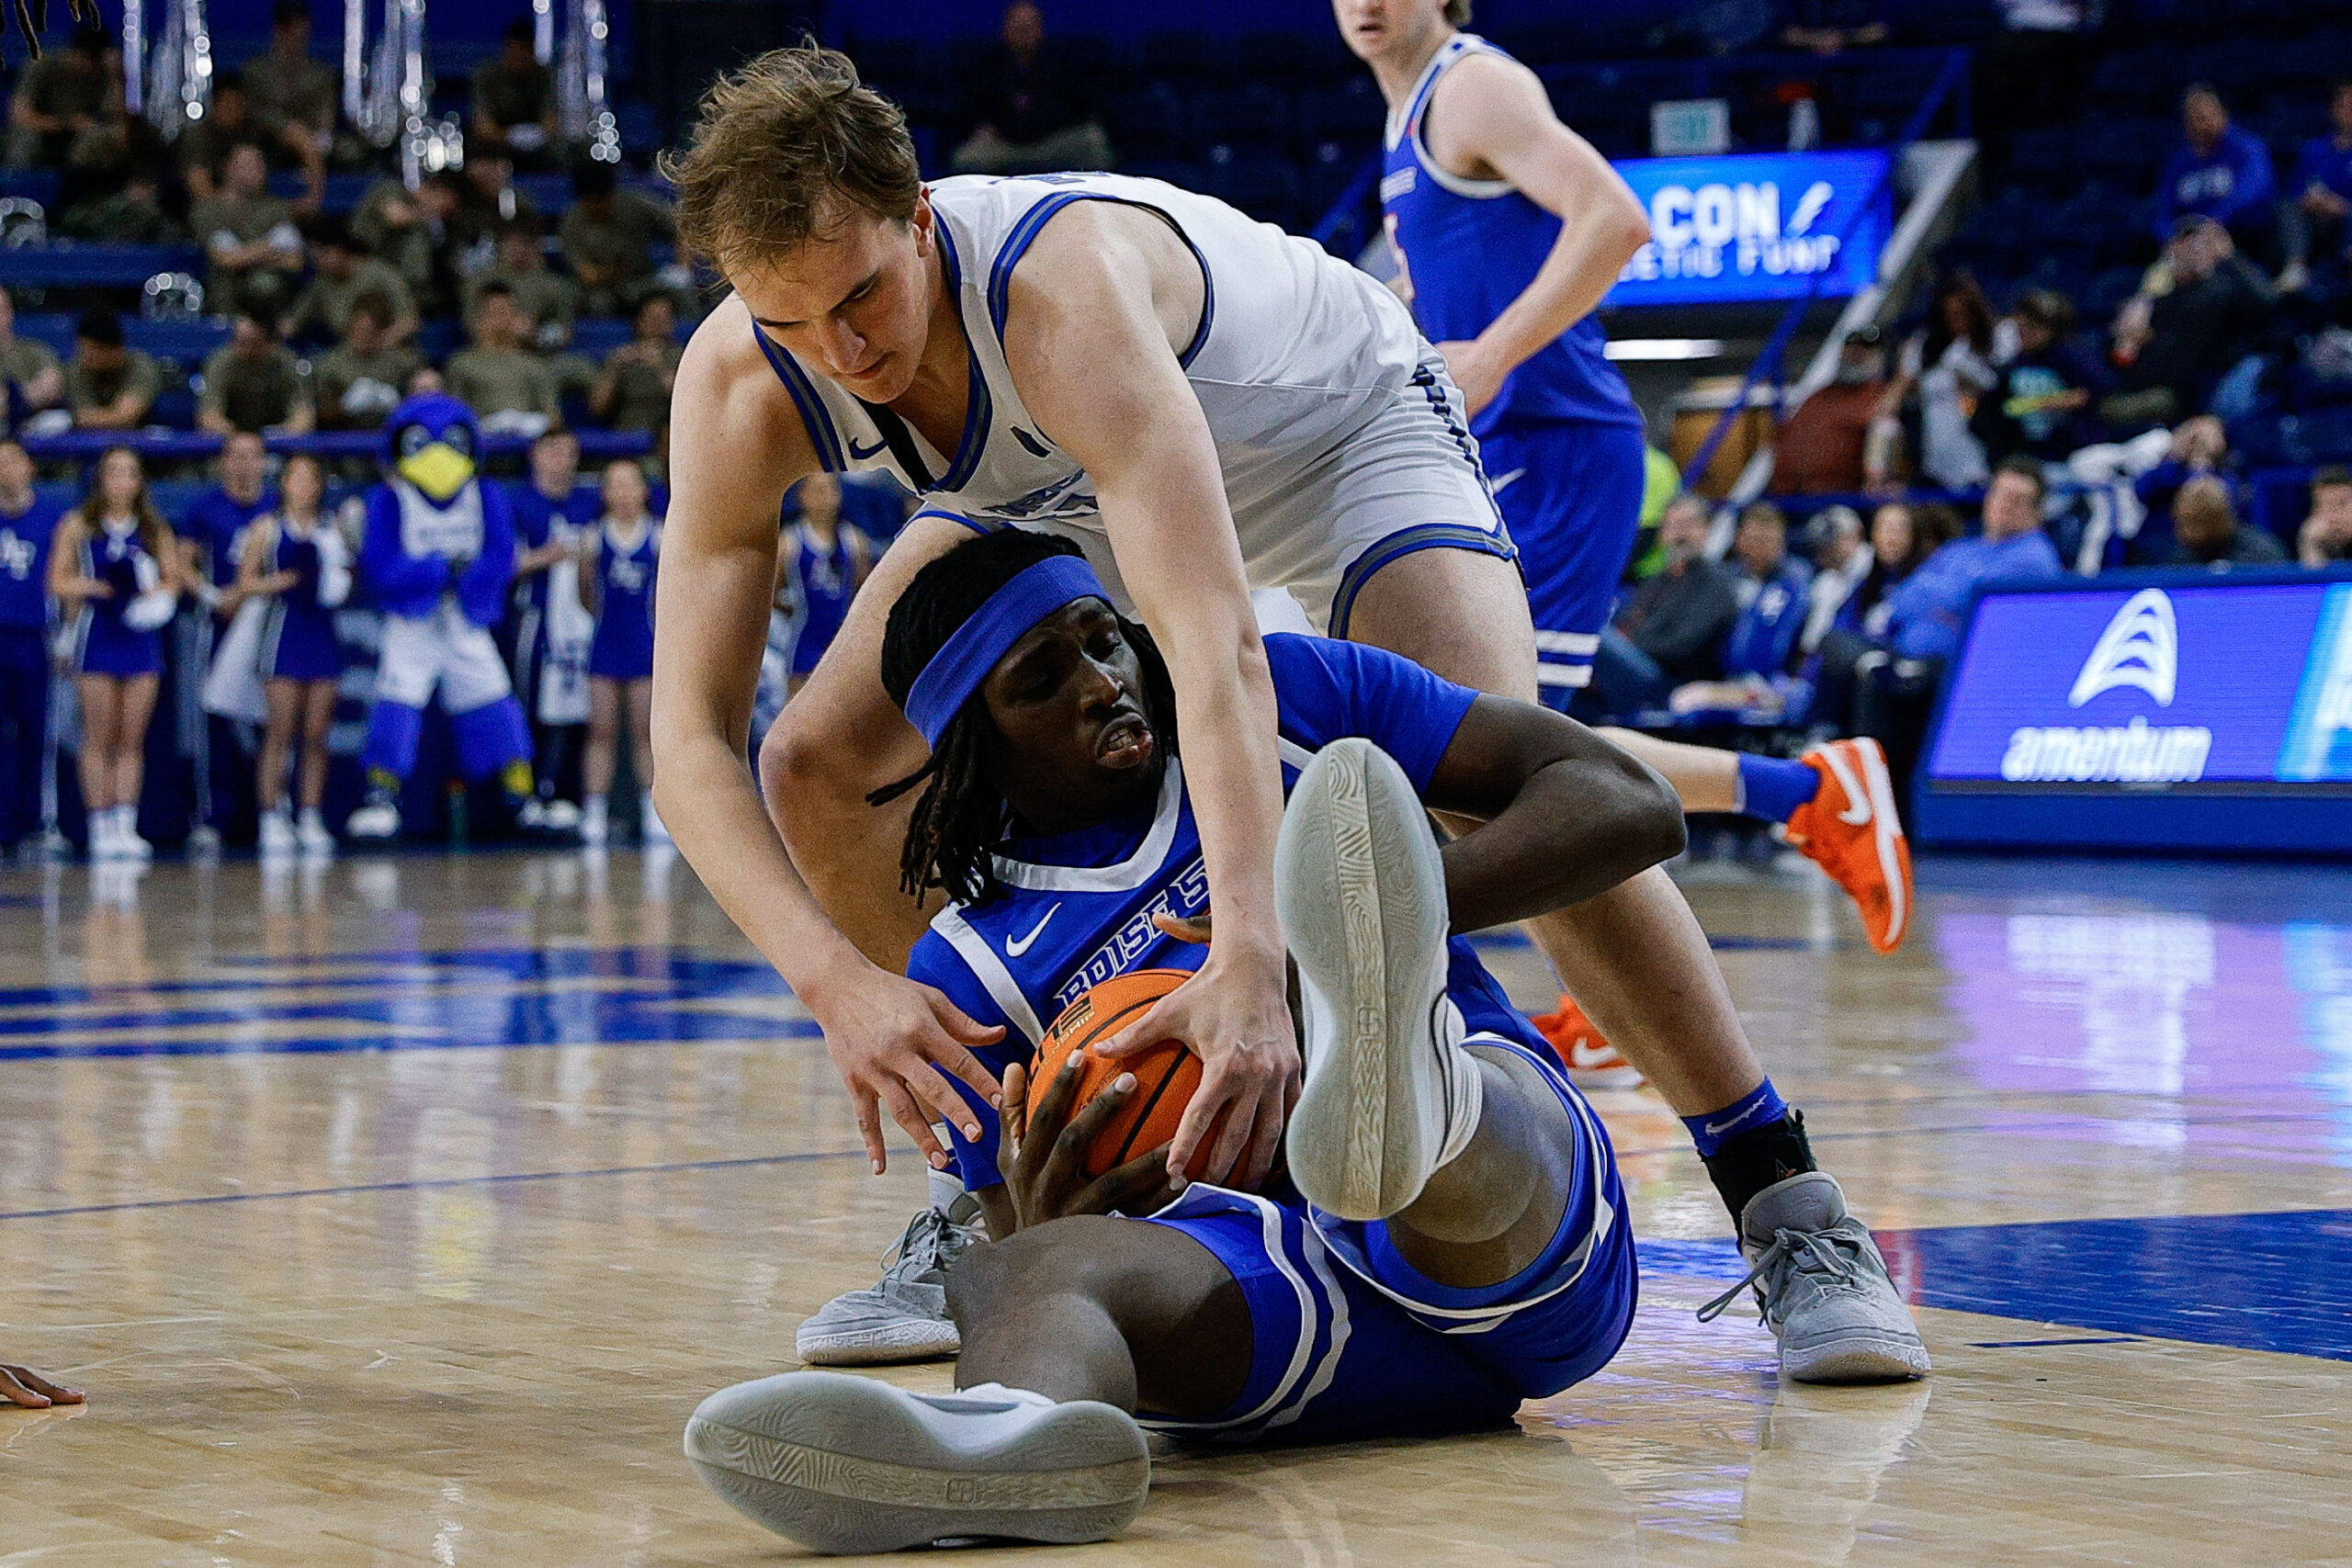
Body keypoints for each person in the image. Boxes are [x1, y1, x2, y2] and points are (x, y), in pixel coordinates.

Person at [656, 46, 1919, 1380]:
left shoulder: (1053, 291)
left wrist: (1252, 951)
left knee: (1482, 765)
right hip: (1066, 479)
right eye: (793, 323)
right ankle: (994, 1175)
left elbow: (1217, 653)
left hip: (1335, 432)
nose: (843, 352)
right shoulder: (746, 381)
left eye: (863, 296)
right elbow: (695, 739)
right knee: (818, 758)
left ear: (921, 217)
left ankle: (1785, 1201)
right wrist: (836, 983)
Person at [687, 532, 1925, 1553]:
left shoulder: (1288, 702)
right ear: (976, 747)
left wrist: (1379, 912)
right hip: (1288, 1307)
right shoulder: (971, 963)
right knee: (1019, 1272)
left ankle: (1397, 1063)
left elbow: (1625, 799)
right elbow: (998, 1214)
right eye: (1040, 679)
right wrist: (1041, 1212)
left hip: (1510, 1230)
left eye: (1100, 638)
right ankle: (1010, 1442)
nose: (1100, 679)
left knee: (1461, 1115)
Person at [345, 392, 536, 840]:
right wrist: (436, 570)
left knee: (494, 701)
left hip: (465, 618)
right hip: (411, 622)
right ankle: (381, 800)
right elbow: (380, 567)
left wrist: (465, 579)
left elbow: (501, 557)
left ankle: (521, 798)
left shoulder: (485, 495)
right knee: (397, 706)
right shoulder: (388, 500)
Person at [48, 447, 185, 860]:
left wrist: (146, 590)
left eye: (130, 473)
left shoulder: (154, 529)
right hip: (98, 635)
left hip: (138, 637)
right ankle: (99, 823)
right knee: (98, 734)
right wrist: (97, 588)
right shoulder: (78, 525)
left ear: (140, 481)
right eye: (114, 472)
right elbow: (57, 581)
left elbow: (173, 581)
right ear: (101, 479)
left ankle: (125, 823)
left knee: (131, 736)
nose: (122, 481)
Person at [236, 453, 347, 856]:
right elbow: (244, 582)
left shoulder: (331, 528)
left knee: (317, 733)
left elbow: (348, 574)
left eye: (309, 478)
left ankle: (311, 813)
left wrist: (337, 578)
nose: (302, 486)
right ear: (283, 484)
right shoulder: (267, 529)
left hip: (320, 632)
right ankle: (271, 814)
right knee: (280, 730)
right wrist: (278, 582)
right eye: (294, 478)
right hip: (284, 632)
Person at [1881, 458, 2063, 665]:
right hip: (1906, 659)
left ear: (2036, 512)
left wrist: (1938, 599)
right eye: (1999, 493)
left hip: (1973, 668)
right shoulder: (1959, 549)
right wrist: (1945, 608)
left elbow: (1971, 601)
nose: (2004, 505)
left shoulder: (2034, 557)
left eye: (2017, 499)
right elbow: (1901, 600)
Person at [507, 427, 598, 830]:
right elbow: (504, 563)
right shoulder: (519, 502)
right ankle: (527, 795)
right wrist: (550, 556)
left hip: (580, 623)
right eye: (557, 452)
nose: (566, 461)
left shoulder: (587, 502)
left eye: (571, 453)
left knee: (576, 707)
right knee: (530, 702)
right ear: (537, 456)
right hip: (536, 618)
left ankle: (564, 793)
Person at [2109, 219, 2278, 427]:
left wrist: (2231, 256)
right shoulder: (2156, 300)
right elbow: (2123, 359)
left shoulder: (2221, 291)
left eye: (2200, 245)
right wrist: (2127, 339)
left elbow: (2268, 304)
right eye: (2184, 244)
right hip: (2144, 391)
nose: (2191, 251)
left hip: (2191, 397)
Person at [576, 460, 665, 846]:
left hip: (644, 645)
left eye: (631, 485)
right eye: (616, 485)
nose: (625, 493)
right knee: (601, 731)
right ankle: (594, 813)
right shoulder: (593, 539)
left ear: (644, 491)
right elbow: (586, 594)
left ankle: (653, 814)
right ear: (606, 493)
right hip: (606, 644)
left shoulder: (660, 536)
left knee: (645, 734)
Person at [1585, 494, 1739, 716]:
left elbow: (1683, 646)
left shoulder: (1716, 583)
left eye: (1687, 525)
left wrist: (1627, 647)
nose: (1679, 534)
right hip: (1633, 669)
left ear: (1705, 530)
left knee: (1593, 631)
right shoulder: (1655, 580)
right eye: (1672, 526)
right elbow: (1626, 622)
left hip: (1671, 680)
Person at [949, 1, 1113, 176]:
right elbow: (969, 110)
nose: (1023, 33)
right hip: (1004, 145)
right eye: (1018, 27)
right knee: (965, 158)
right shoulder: (987, 66)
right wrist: (981, 128)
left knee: (1093, 143)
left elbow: (1084, 106)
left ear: (1040, 30)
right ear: (1005, 30)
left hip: (1052, 143)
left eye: (1029, 27)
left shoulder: (1062, 65)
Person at [0, 439, 65, 854]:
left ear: (29, 468)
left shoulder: (55, 520)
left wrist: (64, 638)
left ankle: (37, 819)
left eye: (11, 462)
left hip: (33, 637)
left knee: (36, 732)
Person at [1884, 271, 1996, 491]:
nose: (1957, 321)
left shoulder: (1993, 344)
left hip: (1981, 449)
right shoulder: (1923, 346)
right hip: (1935, 453)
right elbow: (1897, 393)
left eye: (1963, 314)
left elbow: (1991, 391)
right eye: (1950, 315)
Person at [1973, 288, 2106, 466]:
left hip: (2071, 447)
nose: (2024, 334)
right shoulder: (2014, 357)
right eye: (2021, 328)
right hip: (2027, 448)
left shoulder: (2068, 355)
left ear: (2049, 329)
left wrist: (2051, 402)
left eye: (2031, 328)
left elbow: (2098, 389)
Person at [780, 471, 876, 697]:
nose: (827, 496)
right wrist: (789, 609)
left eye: (833, 489)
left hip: (842, 642)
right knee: (797, 718)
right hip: (804, 641)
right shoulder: (789, 542)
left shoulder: (855, 540)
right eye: (819, 490)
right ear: (802, 496)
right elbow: (766, 595)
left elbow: (868, 594)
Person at [2153, 85, 2277, 254]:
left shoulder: (2247, 149)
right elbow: (2163, 212)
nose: (2199, 126)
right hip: (2192, 243)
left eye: (2204, 118)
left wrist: (2215, 222)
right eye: (2193, 119)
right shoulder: (2178, 163)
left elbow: (2251, 193)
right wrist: (2170, 238)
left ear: (2224, 115)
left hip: (2241, 236)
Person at [1771, 326, 1895, 493]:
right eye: (1850, 348)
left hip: (1843, 499)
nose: (1855, 355)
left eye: (1864, 350)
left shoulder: (1880, 397)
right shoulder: (1818, 396)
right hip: (1791, 496)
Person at [192, 142, 306, 319]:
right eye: (249, 165)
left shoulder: (276, 209)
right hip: (226, 300)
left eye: (260, 165)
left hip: (270, 301)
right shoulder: (209, 210)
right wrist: (271, 247)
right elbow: (226, 259)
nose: (258, 171)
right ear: (228, 169)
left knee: (266, 283)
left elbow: (294, 261)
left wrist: (244, 254)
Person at [558, 161, 676, 316]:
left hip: (641, 280)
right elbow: (585, 273)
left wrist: (682, 266)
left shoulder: (634, 205)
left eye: (602, 200)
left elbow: (678, 225)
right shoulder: (572, 222)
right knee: (598, 304)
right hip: (598, 289)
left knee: (677, 294)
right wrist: (611, 272)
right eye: (590, 202)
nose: (597, 207)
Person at [241, 0, 337, 186]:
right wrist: (290, 130)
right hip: (266, 143)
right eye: (290, 31)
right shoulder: (256, 71)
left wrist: (317, 139)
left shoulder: (321, 73)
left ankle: (314, 186)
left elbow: (326, 115)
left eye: (302, 32)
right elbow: (255, 113)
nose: (296, 39)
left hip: (313, 143)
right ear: (277, 31)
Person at [286, 216, 419, 347]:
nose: (320, 261)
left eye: (325, 254)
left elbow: (409, 321)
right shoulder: (321, 284)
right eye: (315, 256)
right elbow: (292, 322)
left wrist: (374, 345)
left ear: (341, 249)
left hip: (389, 352)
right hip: (348, 358)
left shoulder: (380, 274)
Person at [447, 284, 560, 434]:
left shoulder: (535, 364)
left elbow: (552, 416)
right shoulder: (461, 364)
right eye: (494, 313)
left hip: (528, 435)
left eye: (506, 312)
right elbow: (454, 414)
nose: (501, 320)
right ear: (479, 318)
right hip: (483, 432)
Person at [2278, 79, 2352, 295]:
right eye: (2344, 105)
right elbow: (2295, 190)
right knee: (2285, 206)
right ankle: (2295, 266)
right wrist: (2310, 200)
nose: (2349, 111)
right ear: (2332, 110)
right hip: (2315, 223)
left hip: (2347, 221)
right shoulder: (2314, 149)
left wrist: (2342, 206)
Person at [311, 293, 421, 433]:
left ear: (381, 332)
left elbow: (418, 404)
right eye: (360, 330)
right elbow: (318, 415)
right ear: (350, 328)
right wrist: (345, 407)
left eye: (371, 332)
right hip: (344, 438)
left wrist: (398, 404)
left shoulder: (401, 363)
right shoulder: (329, 365)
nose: (364, 337)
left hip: (389, 435)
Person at [4, 24, 107, 171]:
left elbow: (117, 118)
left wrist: (116, 76)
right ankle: (17, 188)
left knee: (100, 137)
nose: (91, 67)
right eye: (88, 59)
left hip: (75, 139)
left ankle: (83, 188)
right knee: (27, 140)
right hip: (42, 132)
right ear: (75, 53)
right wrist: (66, 124)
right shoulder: (42, 65)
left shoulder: (103, 74)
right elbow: (21, 116)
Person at [463, 220, 577, 348]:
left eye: (525, 242)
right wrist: (502, 330)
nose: (519, 248)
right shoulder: (480, 281)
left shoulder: (554, 285)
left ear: (536, 245)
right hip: (488, 352)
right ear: (499, 244)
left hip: (536, 353)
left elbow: (563, 328)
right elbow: (470, 324)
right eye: (511, 242)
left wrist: (534, 335)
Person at [198, 310, 312, 436]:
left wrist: (280, 435)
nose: (241, 349)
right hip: (232, 442)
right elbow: (209, 416)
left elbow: (303, 414)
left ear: (269, 344)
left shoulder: (287, 363)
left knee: (302, 457)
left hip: (277, 439)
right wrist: (239, 439)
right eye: (238, 341)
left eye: (251, 343)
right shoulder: (221, 362)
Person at [589, 292, 681, 434]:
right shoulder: (621, 357)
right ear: (639, 321)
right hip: (628, 432)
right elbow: (598, 408)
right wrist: (614, 369)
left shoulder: (681, 355)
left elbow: (685, 400)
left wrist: (659, 365)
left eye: (663, 319)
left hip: (667, 433)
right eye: (653, 319)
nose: (658, 324)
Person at [472, 19, 560, 165]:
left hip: (540, 147)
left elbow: (551, 122)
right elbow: (483, 124)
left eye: (524, 52)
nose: (519, 58)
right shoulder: (487, 76)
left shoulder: (545, 77)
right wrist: (509, 137)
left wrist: (533, 137)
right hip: (498, 144)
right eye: (515, 52)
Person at [2165, 475, 2287, 570]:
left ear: (2220, 519)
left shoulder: (2262, 557)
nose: (2188, 530)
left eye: (2197, 522)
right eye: (2184, 522)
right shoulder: (2178, 562)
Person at [65, 310, 160, 432]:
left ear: (115, 350)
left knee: (121, 452)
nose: (85, 358)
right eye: (82, 350)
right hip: (87, 439)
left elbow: (124, 417)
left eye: (92, 352)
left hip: (136, 439)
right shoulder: (78, 368)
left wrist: (73, 419)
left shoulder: (141, 366)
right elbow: (84, 414)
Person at [0, 290, 64, 420]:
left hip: (29, 425)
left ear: (9, 313)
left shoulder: (35, 351)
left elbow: (52, 385)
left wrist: (13, 400)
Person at [2300, 465, 2352, 567]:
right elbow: (2314, 580)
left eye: (2342, 503)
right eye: (2322, 505)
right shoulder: (2313, 538)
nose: (2334, 517)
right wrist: (2310, 544)